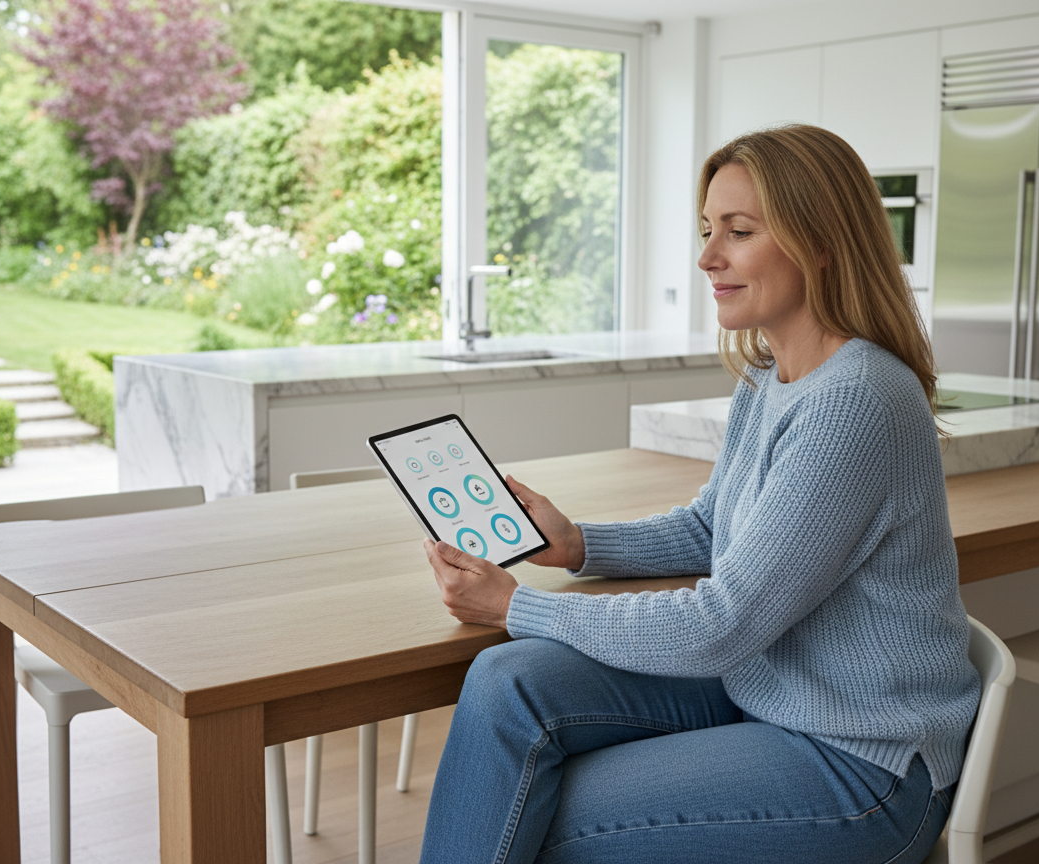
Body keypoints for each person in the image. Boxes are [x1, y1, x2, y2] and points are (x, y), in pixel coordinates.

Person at [419, 124, 980, 864]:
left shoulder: (858, 399)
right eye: (708, 230)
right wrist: (579, 544)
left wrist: (515, 606)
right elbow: (712, 529)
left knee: (529, 807)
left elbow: (722, 624)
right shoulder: (770, 377)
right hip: (767, 685)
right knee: (505, 682)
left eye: (738, 232)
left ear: (821, 241)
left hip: (861, 762)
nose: (708, 257)